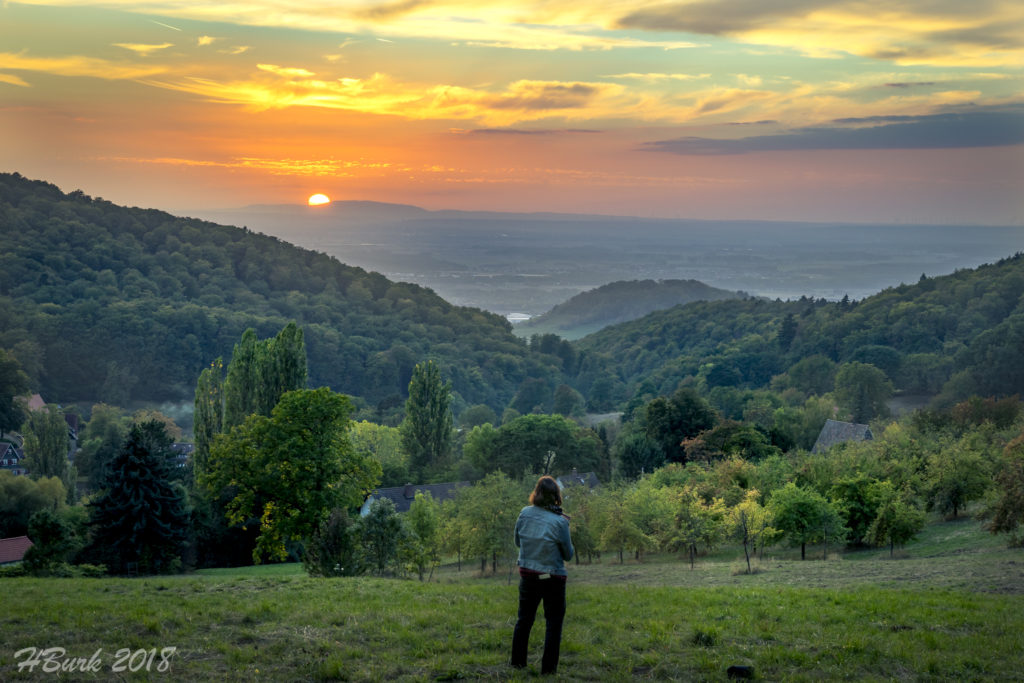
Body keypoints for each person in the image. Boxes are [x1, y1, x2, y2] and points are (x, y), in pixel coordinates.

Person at [510, 475, 574, 675]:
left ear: (536, 493)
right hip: (552, 577)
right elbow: (568, 555)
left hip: (528, 575)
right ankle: (548, 671)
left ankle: (518, 664)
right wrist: (564, 527)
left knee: (524, 620)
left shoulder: (524, 513)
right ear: (556, 496)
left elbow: (518, 542)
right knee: (553, 623)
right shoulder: (560, 523)